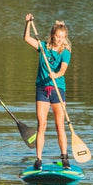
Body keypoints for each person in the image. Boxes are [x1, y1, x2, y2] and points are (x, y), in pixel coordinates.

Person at [23, 14, 71, 170]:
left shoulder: (65, 52)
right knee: (41, 125)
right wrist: (28, 23)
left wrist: (55, 75)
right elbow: (26, 38)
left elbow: (63, 69)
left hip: (58, 89)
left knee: (59, 126)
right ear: (53, 36)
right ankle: (38, 159)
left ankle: (65, 159)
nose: (59, 40)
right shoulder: (43, 47)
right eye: (57, 36)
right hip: (42, 89)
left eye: (62, 37)